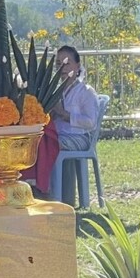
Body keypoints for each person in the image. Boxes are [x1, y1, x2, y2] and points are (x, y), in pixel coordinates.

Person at [34, 45, 101, 204]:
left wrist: (65, 115)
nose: (62, 67)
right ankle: (41, 189)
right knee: (36, 141)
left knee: (48, 143)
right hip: (60, 135)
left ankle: (51, 193)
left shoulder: (86, 91)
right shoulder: (59, 90)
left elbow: (90, 122)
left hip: (80, 137)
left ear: (77, 66)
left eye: (67, 62)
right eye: (58, 63)